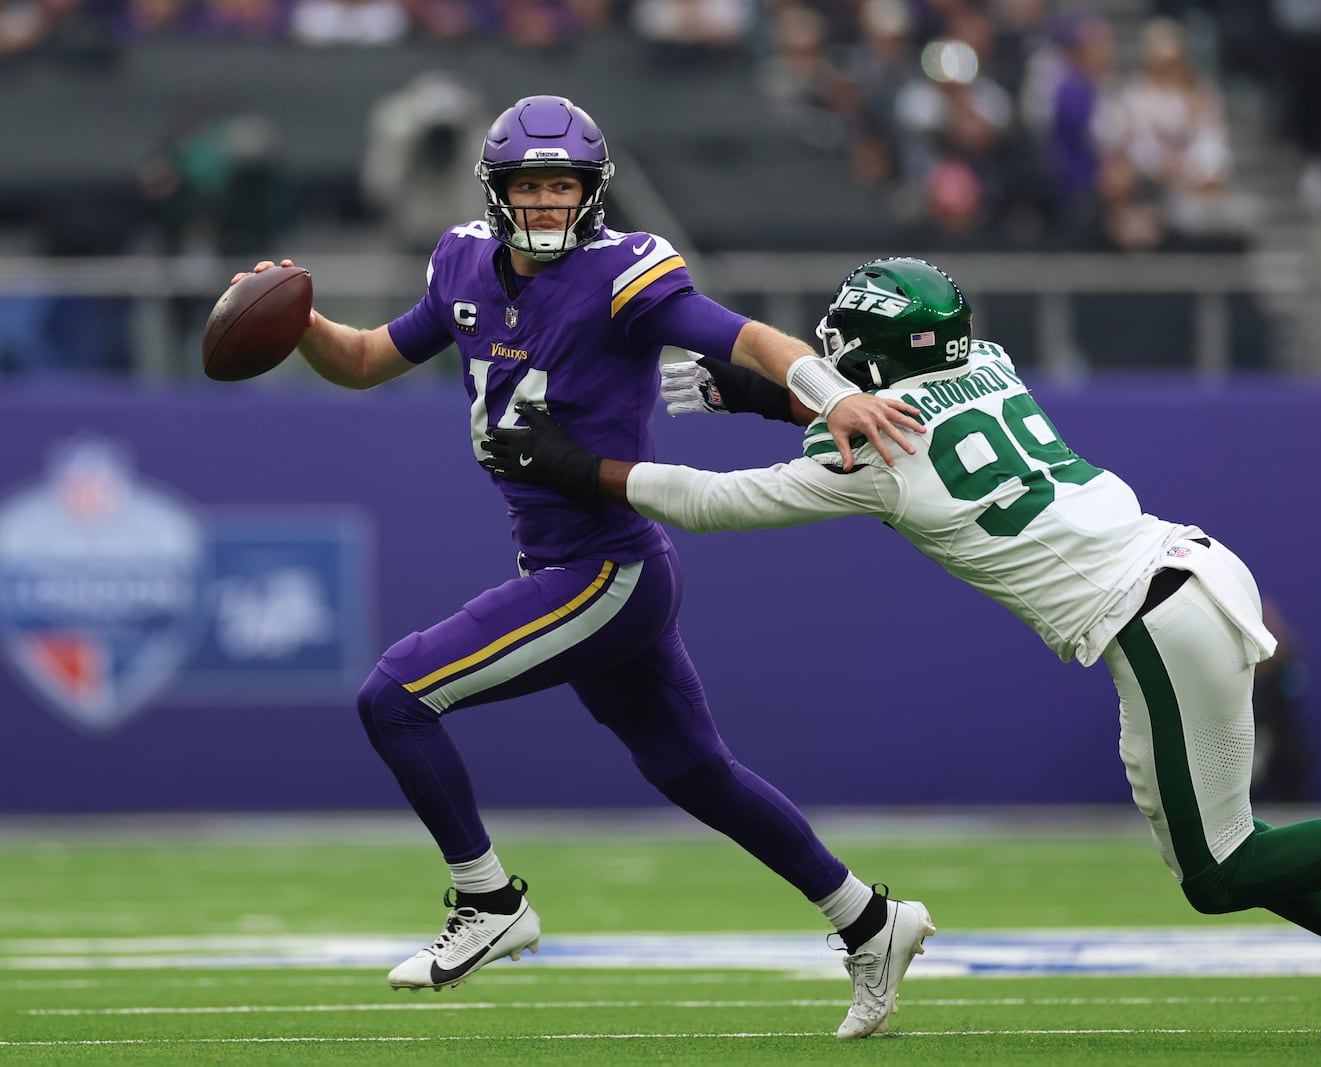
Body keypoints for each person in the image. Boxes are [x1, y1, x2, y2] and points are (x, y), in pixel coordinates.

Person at [484, 255, 1321, 1043]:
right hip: (1185, 568)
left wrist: (580, 465)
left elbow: (716, 504)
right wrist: (753, 388)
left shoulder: (879, 458)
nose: (834, 357)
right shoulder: (984, 357)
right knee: (1225, 842)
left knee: (1216, 872)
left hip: (1147, 611)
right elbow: (881, 398)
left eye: (849, 342)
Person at [229, 96, 934, 1040]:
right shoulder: (462, 262)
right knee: (696, 770)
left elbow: (745, 338)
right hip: (570, 563)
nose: (549, 201)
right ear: (499, 191)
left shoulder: (621, 274)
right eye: (531, 184)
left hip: (605, 572)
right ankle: (871, 919)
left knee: (394, 696)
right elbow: (363, 360)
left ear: (591, 192)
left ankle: (487, 902)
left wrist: (829, 391)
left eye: (564, 184)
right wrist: (304, 319)